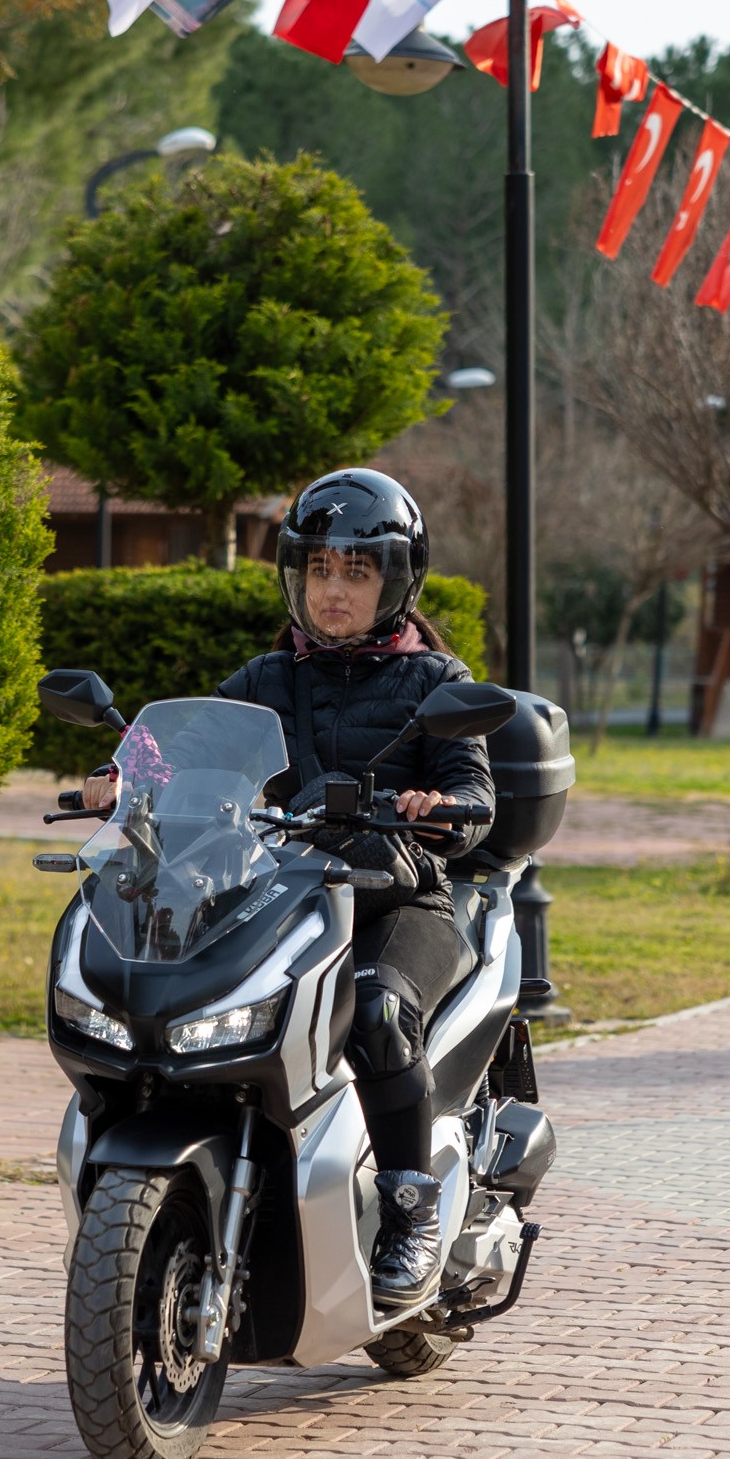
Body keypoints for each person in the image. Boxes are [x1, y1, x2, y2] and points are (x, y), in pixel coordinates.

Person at [82, 468, 496, 1310]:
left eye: (356, 571)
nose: (333, 591)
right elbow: (178, 755)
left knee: (376, 1008)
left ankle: (411, 1206)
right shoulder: (268, 676)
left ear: (395, 578)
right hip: (289, 896)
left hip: (398, 898)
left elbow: (475, 798)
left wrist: (439, 807)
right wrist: (116, 774)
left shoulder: (434, 682)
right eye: (319, 570)